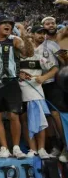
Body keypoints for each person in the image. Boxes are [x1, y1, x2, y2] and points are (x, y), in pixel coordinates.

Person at [0, 16, 26, 159]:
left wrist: (24, 34)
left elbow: (28, 53)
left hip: (11, 82)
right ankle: (4, 148)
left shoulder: (15, 40)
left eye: (10, 24)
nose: (8, 25)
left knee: (14, 115)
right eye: (5, 23)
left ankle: (16, 147)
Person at [19, 26, 52, 159]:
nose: (27, 45)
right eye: (24, 42)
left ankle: (42, 148)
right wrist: (18, 73)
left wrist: (44, 77)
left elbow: (54, 68)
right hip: (20, 93)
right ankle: (32, 149)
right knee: (25, 120)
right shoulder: (16, 57)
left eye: (29, 42)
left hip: (36, 92)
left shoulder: (40, 56)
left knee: (39, 120)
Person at [37, 16, 67, 158]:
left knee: (57, 115)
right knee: (49, 116)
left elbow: (61, 64)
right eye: (46, 24)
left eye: (52, 23)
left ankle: (65, 146)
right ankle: (57, 145)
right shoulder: (36, 45)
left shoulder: (58, 40)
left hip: (56, 83)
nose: (50, 25)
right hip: (41, 86)